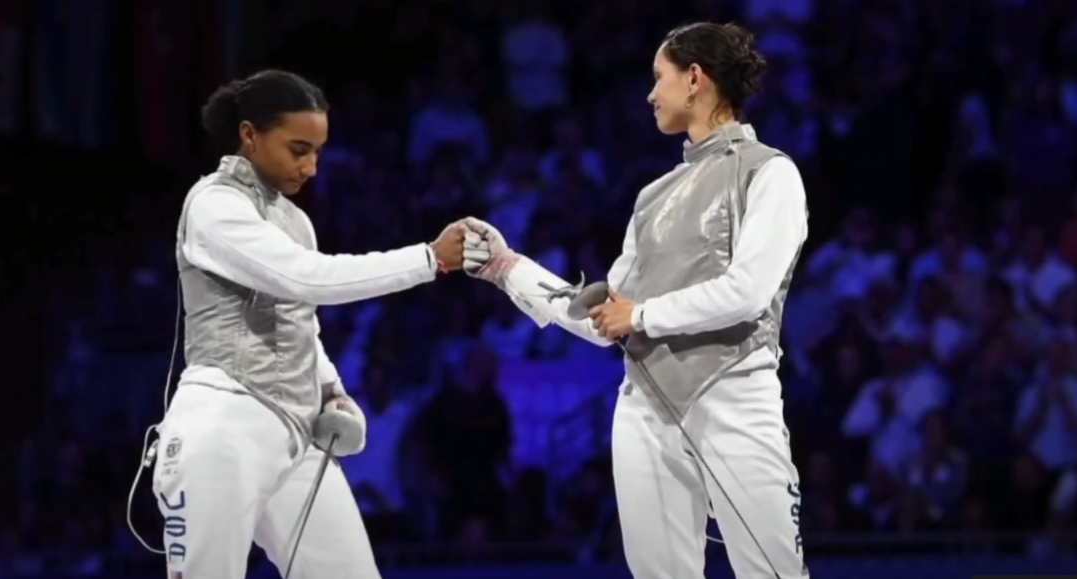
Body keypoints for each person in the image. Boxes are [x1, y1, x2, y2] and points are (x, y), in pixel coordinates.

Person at [462, 23, 809, 579]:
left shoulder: (770, 173)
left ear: (695, 78)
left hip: (735, 397)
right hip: (644, 409)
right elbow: (604, 320)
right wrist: (509, 270)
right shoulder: (653, 197)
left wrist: (642, 314)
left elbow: (747, 292)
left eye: (659, 77)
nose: (650, 94)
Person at [149, 69, 465, 579]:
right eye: (299, 149)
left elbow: (300, 320)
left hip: (296, 435)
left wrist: (332, 390)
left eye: (317, 151)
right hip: (223, 425)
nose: (312, 167)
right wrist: (429, 259)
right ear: (250, 135)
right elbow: (305, 279)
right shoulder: (214, 205)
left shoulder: (294, 220)